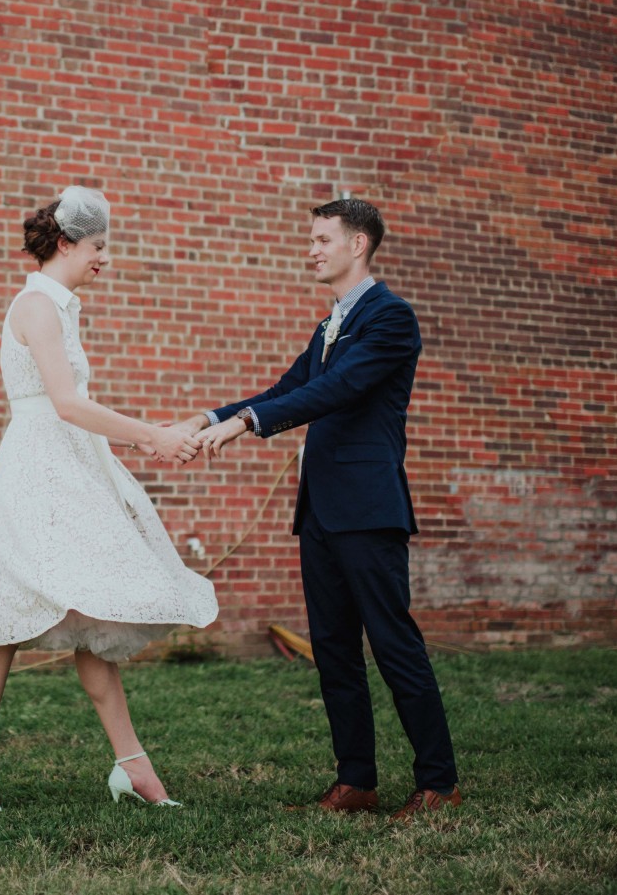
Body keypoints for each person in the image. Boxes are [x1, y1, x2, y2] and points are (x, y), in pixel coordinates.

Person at [0, 185, 221, 812]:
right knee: (3, 613)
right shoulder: (37, 306)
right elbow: (66, 403)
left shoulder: (60, 308)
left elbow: (74, 407)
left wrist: (148, 438)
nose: (105, 259)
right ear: (67, 243)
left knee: (95, 611)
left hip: (73, 464)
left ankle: (133, 768)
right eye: (99, 247)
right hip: (38, 469)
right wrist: (151, 437)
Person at [179, 198, 460, 821]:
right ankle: (356, 780)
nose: (311, 249)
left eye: (321, 239)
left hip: (368, 508)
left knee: (393, 646)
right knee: (333, 650)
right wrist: (210, 417)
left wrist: (247, 425)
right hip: (321, 514)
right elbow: (289, 390)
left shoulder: (391, 317)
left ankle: (439, 781)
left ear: (357, 244)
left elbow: (336, 390)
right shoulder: (329, 324)